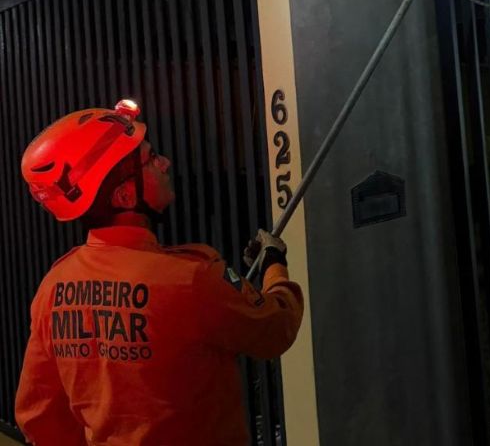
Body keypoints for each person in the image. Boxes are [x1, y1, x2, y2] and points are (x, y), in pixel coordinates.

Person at [14, 99, 303, 446]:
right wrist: (273, 262)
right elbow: (275, 328)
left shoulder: (53, 288)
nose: (165, 163)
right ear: (123, 195)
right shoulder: (190, 279)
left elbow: (39, 417)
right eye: (150, 159)